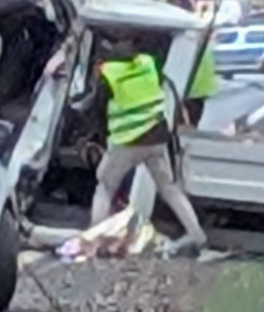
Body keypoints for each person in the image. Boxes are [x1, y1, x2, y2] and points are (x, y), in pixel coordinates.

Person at [83, 36, 208, 251]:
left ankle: (95, 241)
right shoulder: (148, 64)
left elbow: (97, 109)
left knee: (104, 187)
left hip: (126, 142)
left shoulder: (109, 74)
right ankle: (197, 234)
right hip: (156, 139)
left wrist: (96, 135)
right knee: (168, 187)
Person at [165, 0, 217, 129]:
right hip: (197, 90)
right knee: (188, 127)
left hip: (186, 91)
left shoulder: (182, 34)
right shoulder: (195, 30)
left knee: (180, 129)